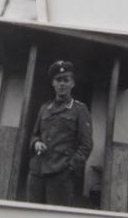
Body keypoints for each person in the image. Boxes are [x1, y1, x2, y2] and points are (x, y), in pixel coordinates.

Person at [26, 60, 93, 206]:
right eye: (58, 80)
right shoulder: (44, 108)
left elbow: (86, 145)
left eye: (66, 80)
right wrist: (36, 143)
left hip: (60, 176)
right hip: (36, 172)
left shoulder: (79, 110)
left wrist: (69, 169)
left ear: (72, 84)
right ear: (53, 83)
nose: (62, 84)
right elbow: (34, 134)